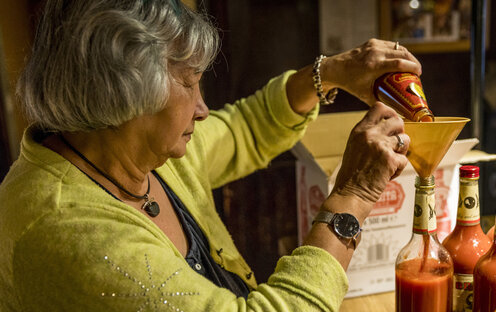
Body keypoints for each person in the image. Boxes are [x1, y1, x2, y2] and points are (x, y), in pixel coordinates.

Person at [0, 1, 422, 311]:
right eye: (189, 83)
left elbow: (245, 127)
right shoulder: (68, 233)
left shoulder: (132, 149)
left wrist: (328, 73)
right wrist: (355, 194)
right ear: (124, 94)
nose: (203, 109)